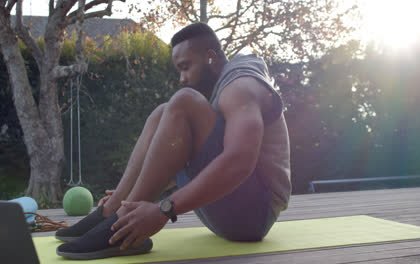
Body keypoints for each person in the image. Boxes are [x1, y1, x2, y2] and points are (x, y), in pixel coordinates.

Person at [56, 22, 291, 260]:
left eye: (185, 67)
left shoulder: (240, 86)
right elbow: (189, 158)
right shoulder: (222, 89)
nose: (181, 77)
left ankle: (121, 227)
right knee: (163, 111)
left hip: (253, 217)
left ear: (210, 57)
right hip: (227, 211)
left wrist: (163, 210)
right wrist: (129, 191)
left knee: (183, 101)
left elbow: (239, 161)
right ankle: (114, 209)